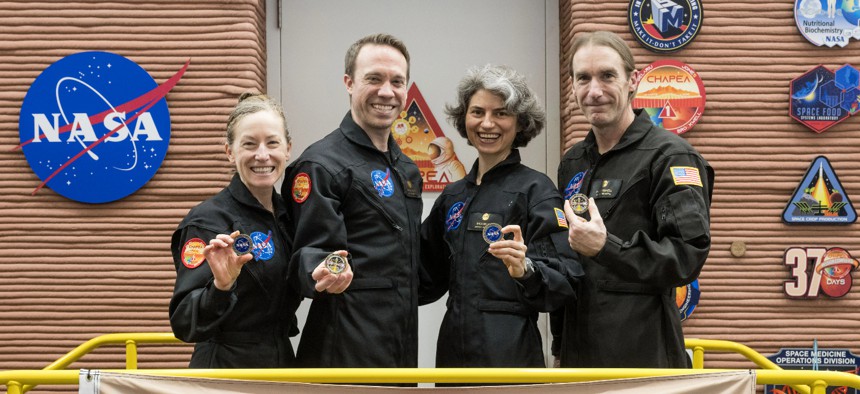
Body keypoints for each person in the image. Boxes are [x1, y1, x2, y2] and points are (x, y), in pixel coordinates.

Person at [553, 30, 714, 368]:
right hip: (577, 357)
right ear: (572, 86)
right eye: (583, 78)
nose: (594, 91)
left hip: (642, 357)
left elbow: (685, 257)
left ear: (633, 80)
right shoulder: (572, 162)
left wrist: (605, 248)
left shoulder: (670, 157)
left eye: (607, 76)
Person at [420, 64, 582, 368]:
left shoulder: (536, 191)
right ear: (463, 119)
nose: (487, 123)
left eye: (501, 113)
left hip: (510, 352)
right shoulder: (453, 196)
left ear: (520, 123)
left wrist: (526, 269)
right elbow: (421, 276)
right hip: (453, 353)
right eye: (477, 112)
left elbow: (565, 281)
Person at [282, 33, 423, 368]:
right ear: (349, 82)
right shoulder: (319, 165)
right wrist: (321, 269)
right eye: (373, 79)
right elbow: (306, 251)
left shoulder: (406, 168)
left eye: (397, 81)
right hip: (342, 349)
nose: (386, 92)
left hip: (400, 344)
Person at [168, 93, 303, 368]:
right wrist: (221, 286)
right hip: (225, 371)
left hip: (281, 366)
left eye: (272, 143)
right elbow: (184, 323)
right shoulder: (207, 221)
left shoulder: (291, 217)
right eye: (249, 144)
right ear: (230, 151)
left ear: (288, 148)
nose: (262, 155)